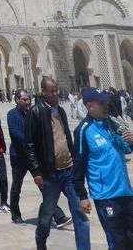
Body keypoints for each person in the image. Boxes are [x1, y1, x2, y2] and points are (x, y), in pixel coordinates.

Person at [25, 76, 89, 250]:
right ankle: (41, 241)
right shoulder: (35, 113)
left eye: (56, 90)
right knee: (46, 216)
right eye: (51, 91)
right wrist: (36, 171)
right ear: (43, 92)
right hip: (50, 174)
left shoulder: (60, 111)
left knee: (80, 214)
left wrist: (76, 162)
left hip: (68, 171)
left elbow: (67, 136)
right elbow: (29, 144)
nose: (55, 94)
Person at [73, 87, 133, 249]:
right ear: (90, 106)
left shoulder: (112, 123)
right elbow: (78, 165)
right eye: (102, 103)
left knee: (130, 237)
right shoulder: (83, 131)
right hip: (106, 195)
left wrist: (131, 141)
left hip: (125, 191)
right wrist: (82, 196)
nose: (107, 105)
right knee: (117, 240)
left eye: (107, 102)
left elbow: (127, 148)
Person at [7, 89, 68, 227]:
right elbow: (15, 133)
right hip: (19, 157)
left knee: (44, 185)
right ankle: (15, 214)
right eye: (24, 99)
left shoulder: (32, 113)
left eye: (28, 99)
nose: (27, 102)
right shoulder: (12, 114)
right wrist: (31, 140)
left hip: (32, 156)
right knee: (17, 186)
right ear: (17, 100)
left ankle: (58, 216)